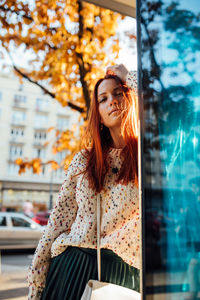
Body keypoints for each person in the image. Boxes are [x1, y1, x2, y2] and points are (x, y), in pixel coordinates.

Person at [28, 64, 140, 300]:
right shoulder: (83, 160)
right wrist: (37, 284)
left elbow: (166, 104)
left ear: (130, 97)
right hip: (72, 267)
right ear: (97, 113)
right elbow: (58, 221)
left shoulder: (148, 157)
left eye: (119, 93)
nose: (113, 101)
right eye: (103, 98)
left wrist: (125, 76)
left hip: (124, 272)